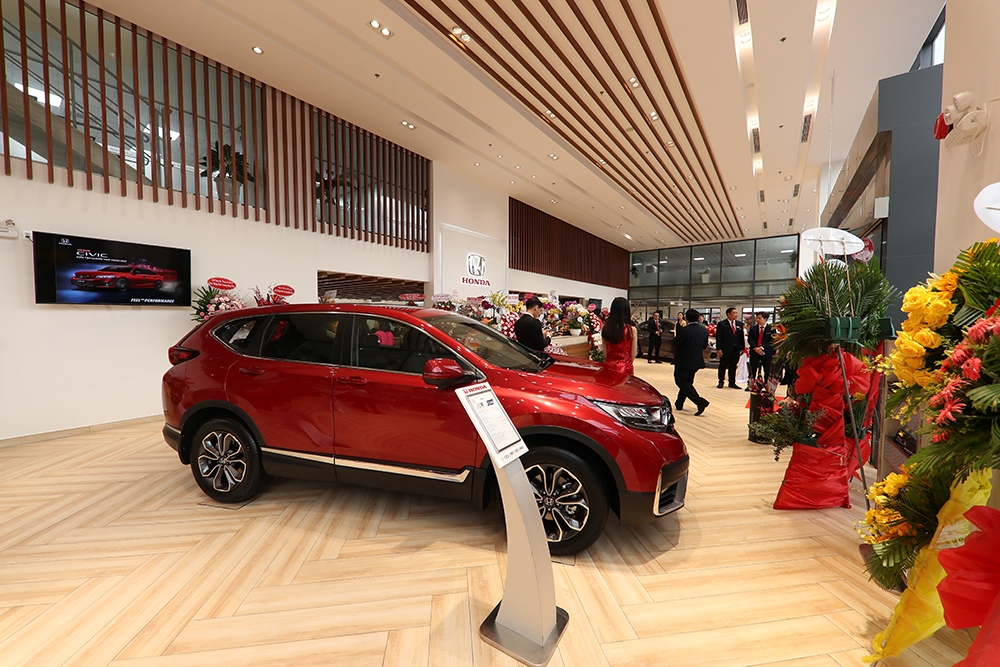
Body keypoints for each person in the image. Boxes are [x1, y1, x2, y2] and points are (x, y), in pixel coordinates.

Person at [673, 308, 710, 415]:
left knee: (681, 381)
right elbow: (704, 346)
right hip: (697, 360)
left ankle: (700, 402)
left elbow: (676, 344)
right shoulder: (703, 330)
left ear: (687, 318)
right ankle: (679, 403)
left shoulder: (685, 330)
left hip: (683, 360)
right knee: (687, 382)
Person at [601, 297, 637, 376]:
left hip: (609, 366)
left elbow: (605, 352)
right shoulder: (631, 330)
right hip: (625, 368)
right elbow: (633, 354)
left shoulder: (606, 328)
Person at [715, 307, 745, 389]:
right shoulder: (722, 324)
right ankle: (721, 381)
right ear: (728, 314)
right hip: (725, 348)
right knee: (723, 365)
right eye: (734, 313)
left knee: (733, 366)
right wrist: (718, 348)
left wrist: (742, 347)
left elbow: (741, 337)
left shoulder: (739, 324)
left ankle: (732, 382)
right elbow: (719, 337)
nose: (736, 314)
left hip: (736, 349)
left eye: (736, 313)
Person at [748, 312, 776, 386]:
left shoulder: (771, 329)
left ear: (765, 319)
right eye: (757, 318)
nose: (757, 320)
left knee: (767, 369)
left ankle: (767, 385)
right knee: (753, 369)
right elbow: (750, 340)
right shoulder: (753, 328)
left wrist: (762, 347)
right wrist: (756, 348)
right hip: (755, 352)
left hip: (766, 352)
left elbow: (772, 340)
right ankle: (751, 384)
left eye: (759, 318)